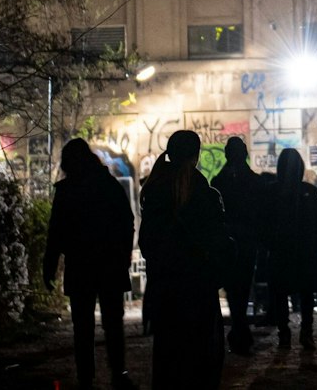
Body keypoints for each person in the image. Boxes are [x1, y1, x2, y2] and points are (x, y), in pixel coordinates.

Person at [43, 139, 137, 390]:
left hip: (80, 266)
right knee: (113, 323)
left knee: (82, 326)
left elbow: (56, 232)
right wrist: (123, 254)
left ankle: (87, 377)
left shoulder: (66, 191)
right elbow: (126, 222)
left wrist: (49, 266)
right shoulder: (109, 186)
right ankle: (118, 373)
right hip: (110, 265)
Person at [137, 131, 227, 390]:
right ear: (196, 156)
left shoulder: (153, 191)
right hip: (198, 289)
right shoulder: (205, 194)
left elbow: (147, 244)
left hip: (165, 289)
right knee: (200, 359)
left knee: (168, 358)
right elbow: (218, 242)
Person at [264, 148, 317, 350]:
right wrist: (312, 244)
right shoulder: (310, 192)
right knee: (307, 295)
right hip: (305, 253)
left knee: (281, 295)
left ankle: (285, 334)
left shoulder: (271, 192)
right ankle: (306, 333)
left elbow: (262, 224)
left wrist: (270, 246)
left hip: (280, 253)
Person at [209, 135, 263, 354]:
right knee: (242, 286)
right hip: (247, 241)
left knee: (233, 288)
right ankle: (241, 330)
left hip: (228, 241)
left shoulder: (218, 182)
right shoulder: (255, 182)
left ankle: (239, 330)